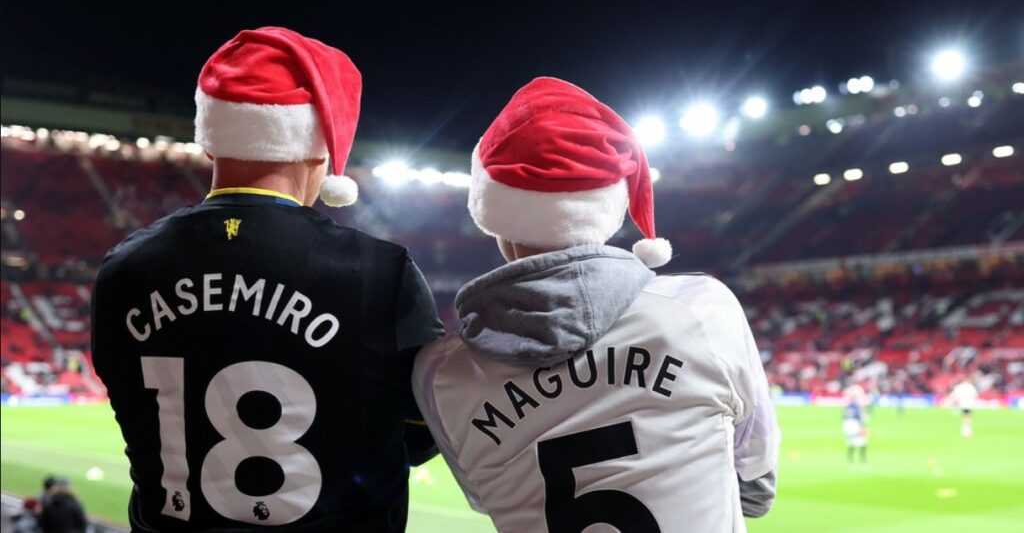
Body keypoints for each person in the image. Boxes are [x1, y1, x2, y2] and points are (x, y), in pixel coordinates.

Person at [92, 27, 442, 531]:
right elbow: (423, 431)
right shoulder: (381, 271)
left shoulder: (123, 267)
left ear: (210, 145)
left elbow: (132, 407)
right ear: (322, 149)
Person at [413, 77, 780, 532]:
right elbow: (756, 489)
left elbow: (487, 497)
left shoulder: (439, 373)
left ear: (494, 221)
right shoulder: (701, 309)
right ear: (612, 207)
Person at [842, 398, 869, 463]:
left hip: (847, 426)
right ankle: (863, 458)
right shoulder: (858, 408)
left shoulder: (847, 408)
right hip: (855, 425)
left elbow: (843, 417)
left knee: (851, 442)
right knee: (863, 441)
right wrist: (863, 427)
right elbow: (860, 418)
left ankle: (850, 459)